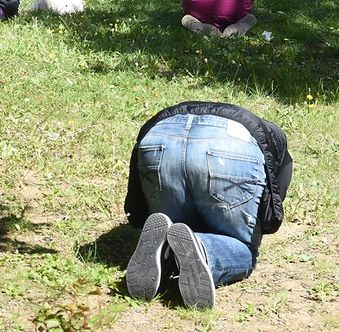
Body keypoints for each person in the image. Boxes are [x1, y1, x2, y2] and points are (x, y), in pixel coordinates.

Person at [124, 101, 293, 310]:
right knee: (243, 248)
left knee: (176, 224)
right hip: (231, 147)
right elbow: (273, 205)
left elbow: (136, 193)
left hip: (159, 136)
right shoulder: (278, 140)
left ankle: (165, 251)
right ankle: (205, 250)